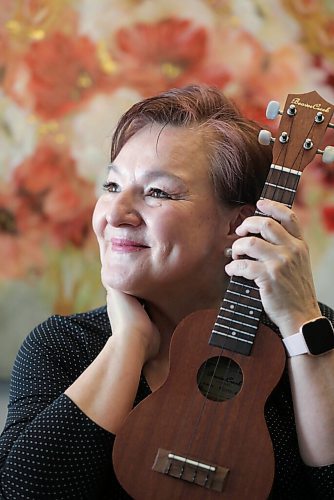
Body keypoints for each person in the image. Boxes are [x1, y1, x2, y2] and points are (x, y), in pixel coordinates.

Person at [0, 84, 334, 499]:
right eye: (111, 186)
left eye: (158, 192)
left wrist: (303, 324)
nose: (116, 215)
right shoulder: (63, 346)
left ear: (237, 225)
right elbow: (21, 492)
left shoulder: (311, 334)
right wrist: (128, 341)